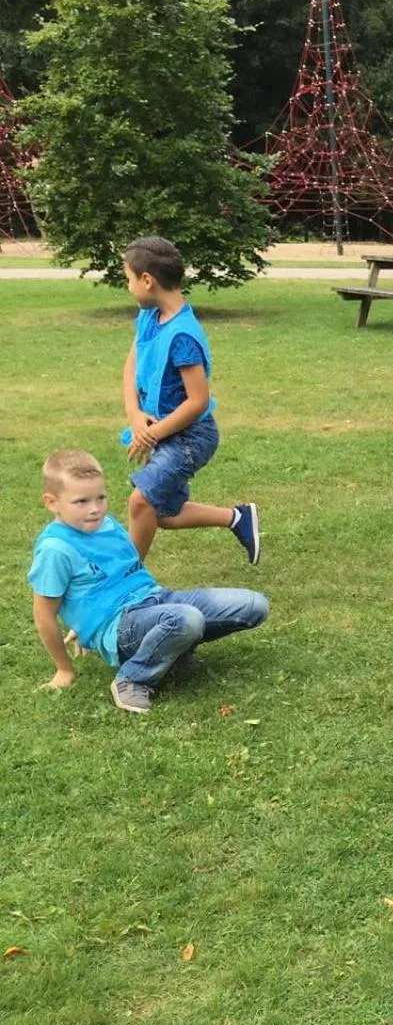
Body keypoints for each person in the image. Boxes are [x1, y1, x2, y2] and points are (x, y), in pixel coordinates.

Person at [28, 449, 269, 713]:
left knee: (255, 605)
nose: (95, 509)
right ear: (51, 502)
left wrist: (82, 618)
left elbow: (114, 574)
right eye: (82, 501)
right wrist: (64, 668)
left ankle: (172, 654)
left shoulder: (107, 525)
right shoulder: (55, 549)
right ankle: (132, 678)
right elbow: (43, 614)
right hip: (121, 627)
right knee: (186, 619)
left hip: (154, 599)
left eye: (101, 498)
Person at [121, 235, 260, 565]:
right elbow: (132, 363)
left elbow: (198, 401)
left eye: (128, 279)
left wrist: (152, 433)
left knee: (141, 502)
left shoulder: (183, 335)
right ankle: (237, 518)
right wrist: (134, 414)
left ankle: (125, 580)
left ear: (147, 280)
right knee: (163, 514)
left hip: (190, 437)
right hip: (164, 432)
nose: (128, 287)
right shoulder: (148, 318)